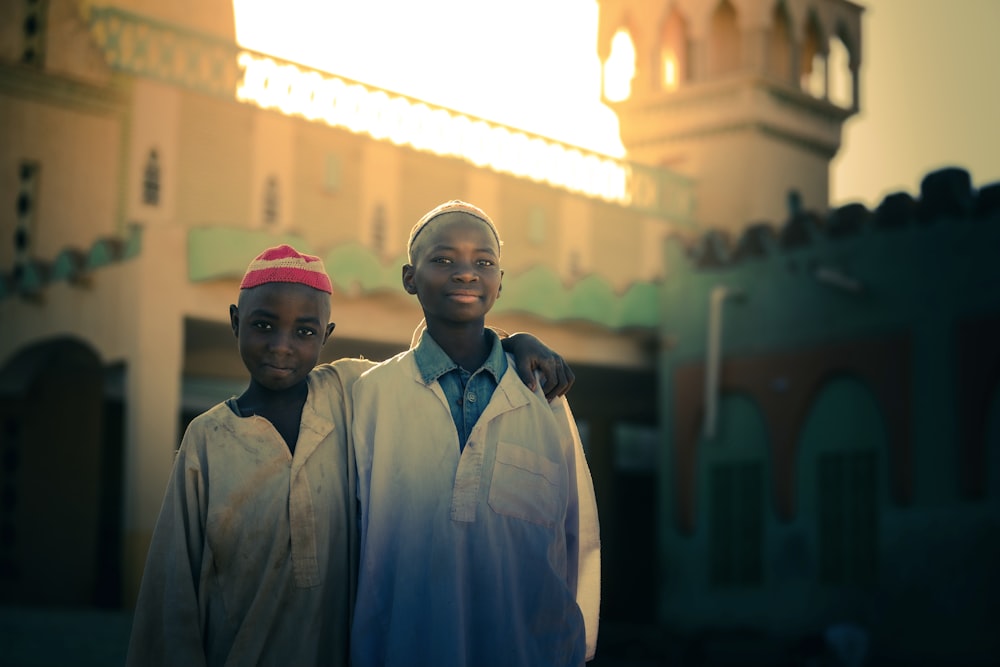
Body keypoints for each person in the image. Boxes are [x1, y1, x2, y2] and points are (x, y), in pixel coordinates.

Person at [126, 244, 576, 667]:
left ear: (327, 335)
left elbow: (438, 355)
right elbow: (172, 591)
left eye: (304, 331)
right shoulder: (207, 439)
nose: (282, 345)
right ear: (234, 321)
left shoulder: (351, 393)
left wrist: (514, 342)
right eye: (263, 325)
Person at [351, 201, 601, 667]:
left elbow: (577, 535)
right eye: (443, 260)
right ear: (410, 278)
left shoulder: (541, 396)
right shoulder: (371, 397)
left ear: (500, 283)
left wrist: (576, 651)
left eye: (483, 262)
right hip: (401, 649)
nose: (465, 273)